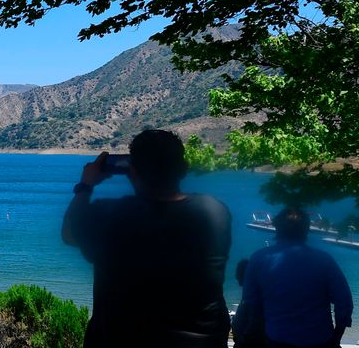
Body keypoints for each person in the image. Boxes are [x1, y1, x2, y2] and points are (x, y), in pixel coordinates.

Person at [62, 129, 232, 347]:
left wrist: (86, 186)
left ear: (131, 172)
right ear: (183, 169)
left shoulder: (111, 216)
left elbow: (69, 234)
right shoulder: (215, 211)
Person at [238, 207, 353, 348]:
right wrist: (337, 336)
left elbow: (251, 303)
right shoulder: (324, 260)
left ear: (276, 227)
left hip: (277, 339)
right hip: (320, 339)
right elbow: (344, 302)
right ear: (306, 229)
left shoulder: (259, 259)